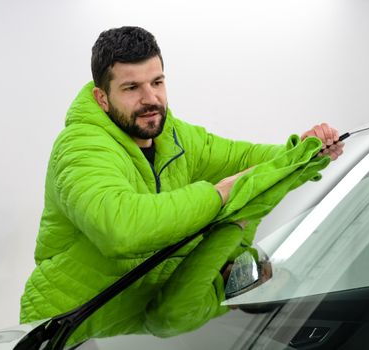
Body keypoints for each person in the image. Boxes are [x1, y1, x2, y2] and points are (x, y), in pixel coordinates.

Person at [19, 26, 344, 343]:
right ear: (101, 98)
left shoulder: (174, 136)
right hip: (69, 334)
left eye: (157, 82)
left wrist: (305, 150)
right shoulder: (81, 147)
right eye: (132, 88)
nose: (151, 99)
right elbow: (121, 229)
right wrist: (218, 195)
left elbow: (247, 159)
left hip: (137, 335)